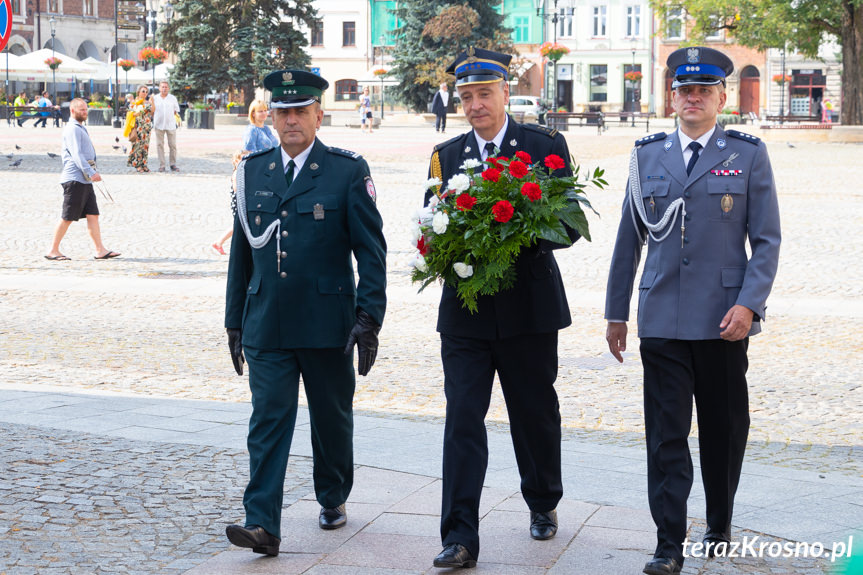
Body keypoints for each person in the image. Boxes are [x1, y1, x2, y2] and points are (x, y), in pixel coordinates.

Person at [604, 46, 781, 575]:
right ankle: (667, 542)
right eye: (685, 89)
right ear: (672, 96)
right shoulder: (645, 155)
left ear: (722, 97)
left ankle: (720, 520)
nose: (694, 97)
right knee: (665, 434)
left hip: (724, 320)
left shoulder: (747, 153)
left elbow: (766, 240)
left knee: (724, 430)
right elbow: (627, 241)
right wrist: (617, 312)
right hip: (661, 318)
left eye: (705, 89)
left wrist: (750, 305)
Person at [426, 47, 580, 570]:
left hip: (529, 310)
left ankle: (543, 499)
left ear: (505, 93)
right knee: (462, 418)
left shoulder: (542, 145)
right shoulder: (445, 155)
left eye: (483, 94)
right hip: (466, 313)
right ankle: (459, 535)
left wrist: (520, 233)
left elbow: (573, 223)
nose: (474, 105)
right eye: (465, 97)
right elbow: (431, 222)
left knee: (533, 413)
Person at [223, 70, 387, 557]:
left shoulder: (346, 170)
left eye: (301, 111)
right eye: (283, 112)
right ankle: (262, 524)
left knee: (331, 418)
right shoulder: (252, 170)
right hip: (266, 321)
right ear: (270, 116)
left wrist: (369, 318)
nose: (291, 120)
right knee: (267, 420)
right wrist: (234, 320)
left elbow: (371, 251)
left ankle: (332, 494)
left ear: (319, 114)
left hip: (327, 323)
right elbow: (241, 257)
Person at [45, 98, 121, 261]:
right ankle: (53, 250)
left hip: (84, 180)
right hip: (75, 179)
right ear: (72, 111)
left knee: (93, 214)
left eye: (86, 109)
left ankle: (100, 250)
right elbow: (77, 154)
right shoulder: (72, 129)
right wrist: (90, 172)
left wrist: (90, 173)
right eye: (81, 110)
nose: (85, 112)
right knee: (67, 216)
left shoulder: (79, 127)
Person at [211, 99, 279, 255]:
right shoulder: (252, 130)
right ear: (253, 113)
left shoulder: (266, 129)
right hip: (258, 172)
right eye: (260, 111)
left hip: (271, 170)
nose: (264, 113)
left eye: (265, 110)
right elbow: (248, 153)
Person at [151, 80, 181, 173]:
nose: (164, 88)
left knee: (172, 145)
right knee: (159, 145)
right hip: (158, 125)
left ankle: (173, 164)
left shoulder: (173, 98)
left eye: (166, 87)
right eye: (162, 87)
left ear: (168, 88)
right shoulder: (155, 98)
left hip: (170, 125)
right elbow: (152, 111)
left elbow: (176, 110)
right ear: (159, 88)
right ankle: (162, 165)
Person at [123, 85, 154, 173]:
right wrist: (140, 111)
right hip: (138, 127)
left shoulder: (148, 102)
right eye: (143, 91)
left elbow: (152, 111)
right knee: (137, 146)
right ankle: (137, 165)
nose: (145, 93)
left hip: (147, 127)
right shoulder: (134, 102)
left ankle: (144, 165)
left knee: (145, 146)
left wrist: (152, 102)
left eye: (146, 92)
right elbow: (131, 113)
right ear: (138, 92)